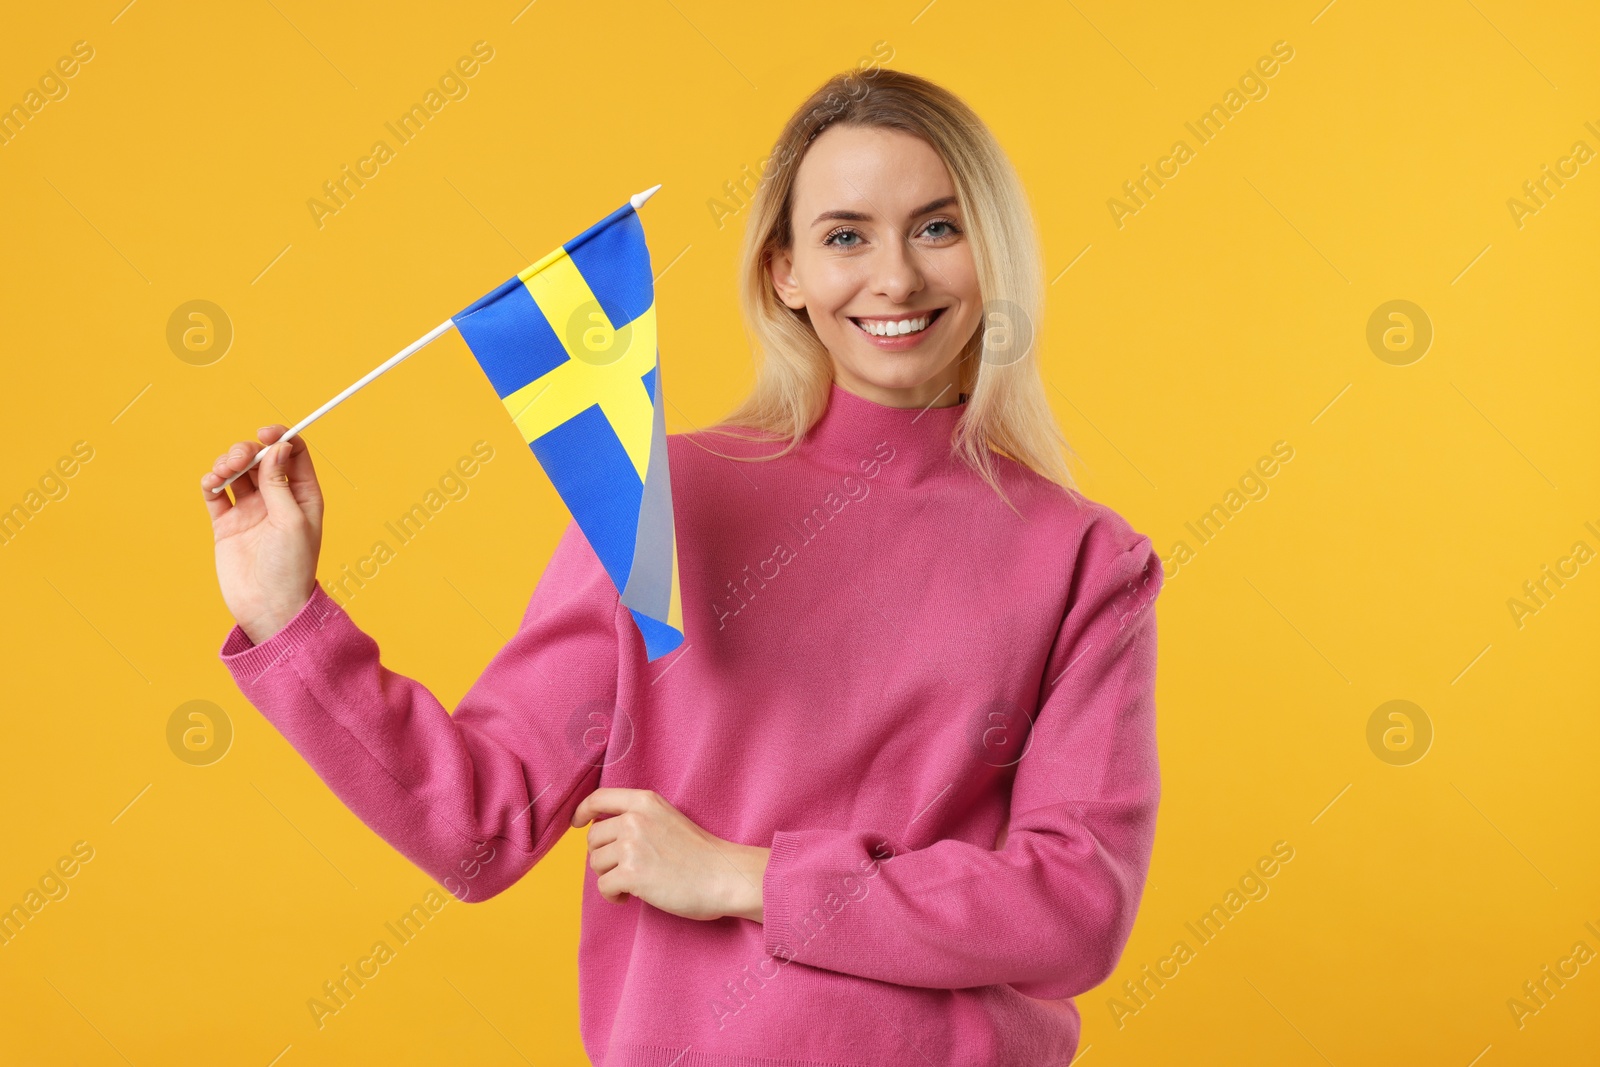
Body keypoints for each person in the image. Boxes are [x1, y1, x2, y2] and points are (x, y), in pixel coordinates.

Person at [201, 67, 1164, 1066]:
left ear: (992, 249)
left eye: (936, 227)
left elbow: (1073, 908)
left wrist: (747, 877)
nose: (896, 279)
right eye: (844, 236)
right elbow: (481, 827)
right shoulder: (660, 499)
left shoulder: (1087, 561)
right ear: (782, 271)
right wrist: (289, 616)